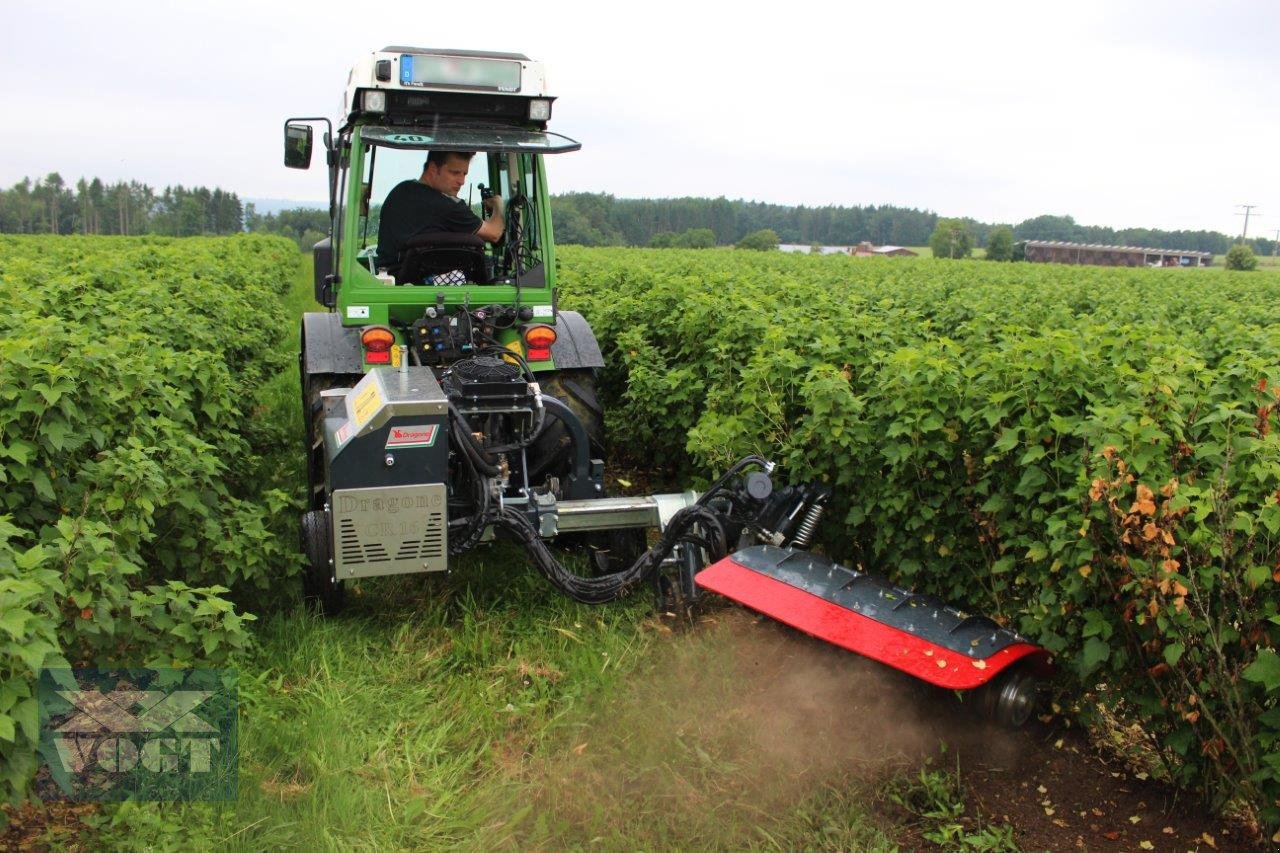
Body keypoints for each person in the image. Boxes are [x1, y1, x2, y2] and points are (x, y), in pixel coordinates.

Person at [375, 150, 504, 272]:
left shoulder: (400, 191)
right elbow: (494, 233)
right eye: (455, 173)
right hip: (428, 283)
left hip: (389, 280)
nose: (462, 181)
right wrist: (498, 203)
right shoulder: (447, 206)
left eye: (464, 174)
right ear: (433, 169)